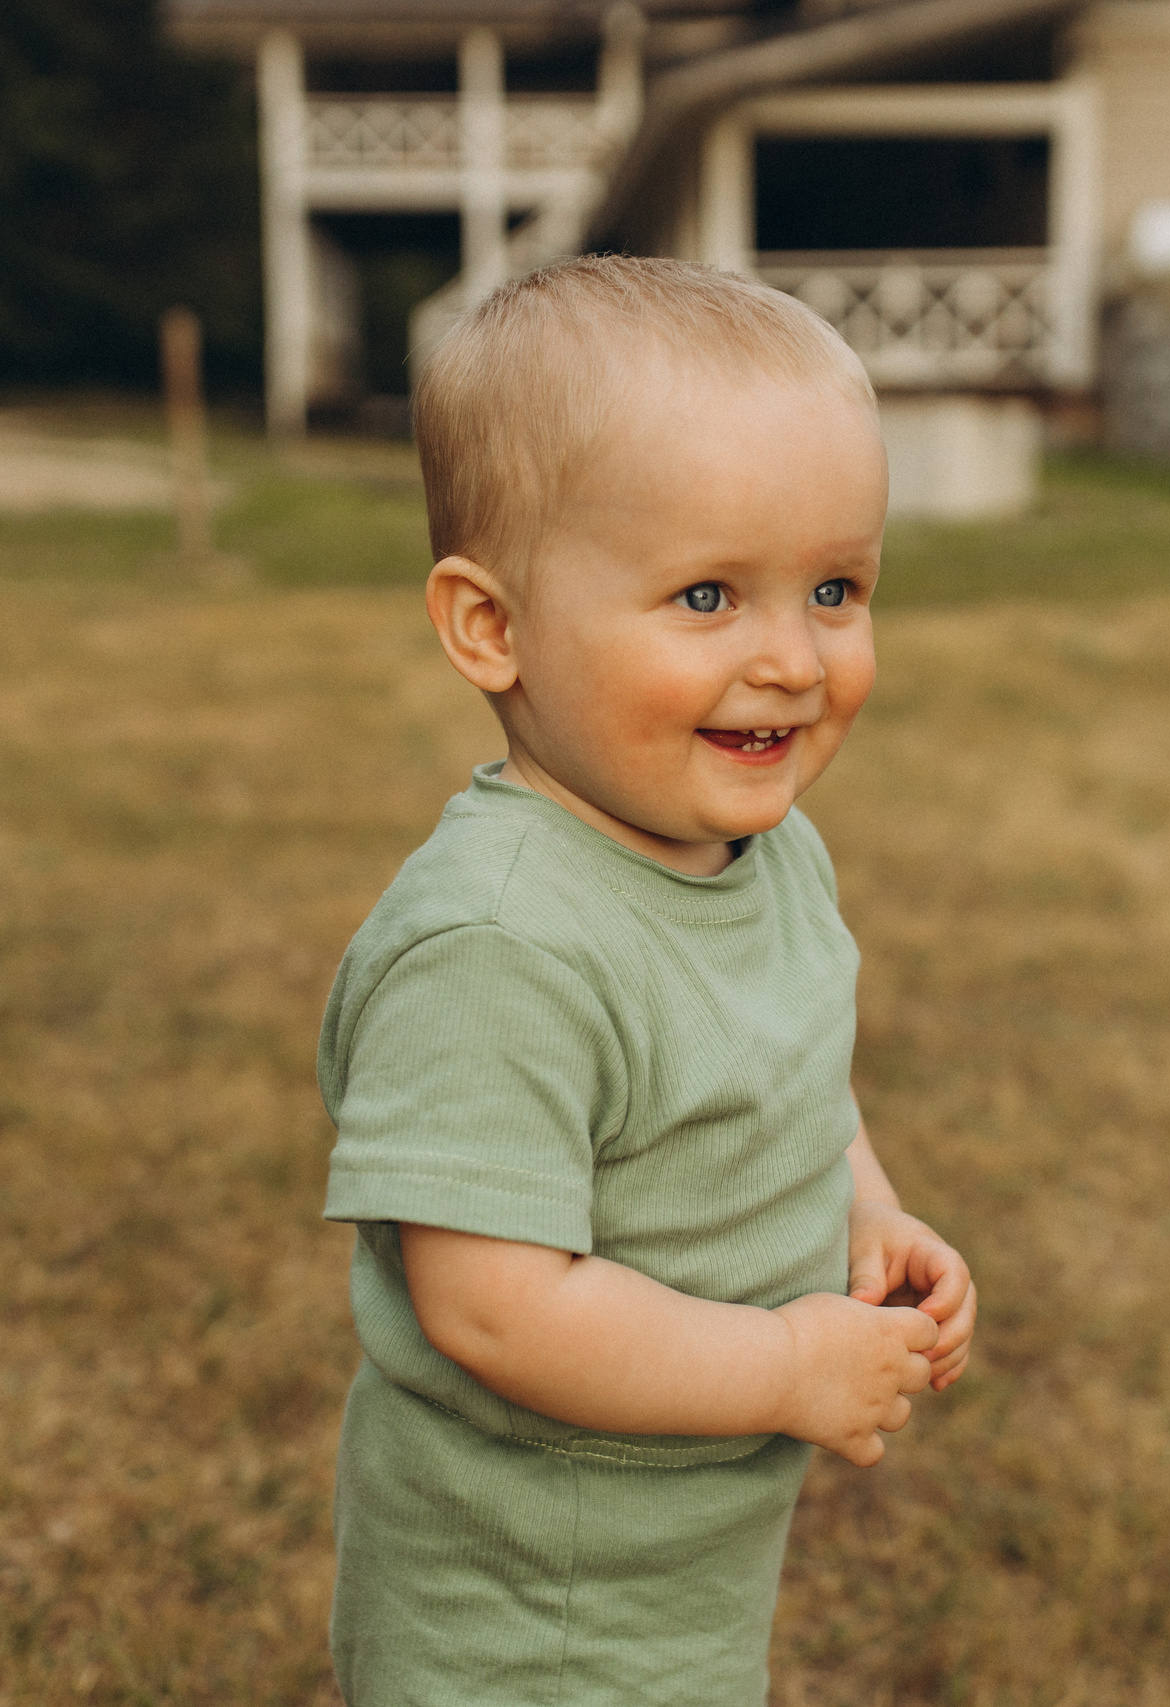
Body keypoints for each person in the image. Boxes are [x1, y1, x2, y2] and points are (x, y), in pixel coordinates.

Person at [316, 253, 978, 1705]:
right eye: (704, 596)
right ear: (490, 627)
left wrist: (865, 1207)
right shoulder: (498, 948)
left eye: (834, 588)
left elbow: (791, 1057)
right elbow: (495, 1305)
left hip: (677, 1569)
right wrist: (786, 1368)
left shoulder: (767, 851)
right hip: (520, 1607)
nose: (793, 659)